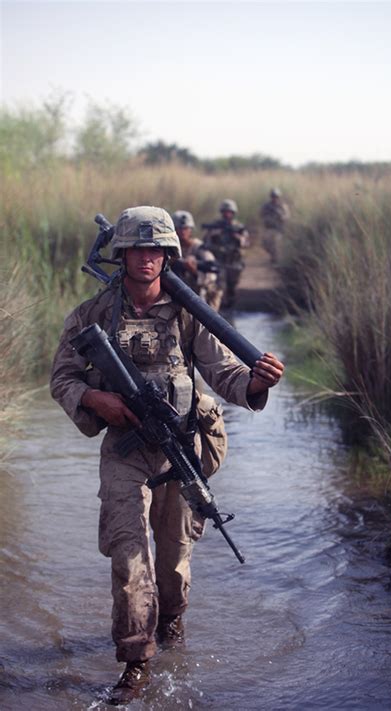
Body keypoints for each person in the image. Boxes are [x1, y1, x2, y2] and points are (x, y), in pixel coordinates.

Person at [50, 206, 284, 706]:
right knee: (130, 557)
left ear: (168, 255)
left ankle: (173, 627)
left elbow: (225, 376)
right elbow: (62, 379)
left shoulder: (187, 314)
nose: (147, 258)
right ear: (122, 254)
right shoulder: (92, 315)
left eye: (156, 249)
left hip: (180, 447)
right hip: (124, 451)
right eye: (138, 248)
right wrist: (96, 399)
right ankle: (135, 663)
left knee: (174, 563)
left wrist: (256, 383)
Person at [171, 210, 223, 311]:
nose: (182, 231)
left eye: (185, 228)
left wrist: (194, 271)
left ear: (190, 230)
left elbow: (212, 269)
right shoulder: (171, 247)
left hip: (199, 292)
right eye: (179, 228)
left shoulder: (199, 247)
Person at [202, 199, 249, 309]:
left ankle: (230, 308)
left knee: (232, 287)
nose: (227, 214)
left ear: (233, 213)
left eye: (229, 212)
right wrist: (214, 234)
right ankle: (221, 309)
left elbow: (245, 243)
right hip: (220, 262)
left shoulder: (238, 227)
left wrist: (237, 236)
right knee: (220, 287)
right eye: (225, 212)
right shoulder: (215, 226)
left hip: (234, 262)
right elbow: (205, 243)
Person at [260, 187, 291, 263]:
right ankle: (273, 255)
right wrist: (267, 218)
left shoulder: (283, 206)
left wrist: (282, 217)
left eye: (276, 197)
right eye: (273, 196)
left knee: (276, 245)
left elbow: (287, 216)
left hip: (278, 229)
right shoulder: (266, 205)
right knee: (265, 244)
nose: (275, 198)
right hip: (269, 228)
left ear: (279, 197)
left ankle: (276, 259)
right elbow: (261, 214)